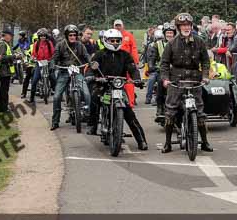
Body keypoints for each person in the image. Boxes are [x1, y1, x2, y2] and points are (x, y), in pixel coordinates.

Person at [159, 13, 212, 153]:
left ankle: (205, 142)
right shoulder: (171, 43)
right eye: (183, 25)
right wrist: (165, 79)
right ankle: (168, 143)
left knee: (200, 112)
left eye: (188, 25)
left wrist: (205, 76)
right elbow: (164, 64)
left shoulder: (199, 41)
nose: (186, 27)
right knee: (170, 111)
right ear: (178, 27)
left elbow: (206, 61)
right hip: (176, 80)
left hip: (195, 80)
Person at [86, 29, 148, 150]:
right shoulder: (100, 54)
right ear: (106, 41)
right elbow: (91, 67)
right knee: (94, 99)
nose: (114, 43)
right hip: (103, 85)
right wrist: (90, 76)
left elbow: (133, 69)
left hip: (119, 86)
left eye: (117, 40)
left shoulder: (125, 55)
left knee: (129, 113)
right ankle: (92, 125)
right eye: (112, 40)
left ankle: (141, 140)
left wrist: (137, 80)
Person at [50, 25, 90, 130]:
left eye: (74, 35)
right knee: (57, 96)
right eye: (70, 35)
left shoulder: (80, 45)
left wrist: (91, 63)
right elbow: (54, 57)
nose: (72, 37)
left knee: (86, 93)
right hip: (64, 72)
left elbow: (86, 56)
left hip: (77, 72)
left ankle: (89, 116)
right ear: (66, 35)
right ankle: (55, 121)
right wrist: (52, 64)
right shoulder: (60, 45)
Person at [152, 23, 176, 122]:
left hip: (176, 71)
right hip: (162, 71)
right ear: (164, 34)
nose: (169, 35)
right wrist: (151, 66)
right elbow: (152, 57)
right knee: (160, 85)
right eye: (168, 33)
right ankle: (160, 108)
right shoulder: (158, 44)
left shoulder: (180, 42)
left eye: (171, 33)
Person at [113, 19, 139, 107]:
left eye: (119, 25)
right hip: (114, 63)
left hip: (126, 63)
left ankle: (130, 102)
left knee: (129, 82)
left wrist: (135, 62)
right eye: (116, 25)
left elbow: (134, 48)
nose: (118, 27)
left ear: (123, 26)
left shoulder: (128, 35)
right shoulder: (111, 35)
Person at [0, 29, 16, 113]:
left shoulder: (2, 43)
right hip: (4, 70)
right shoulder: (2, 44)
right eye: (10, 35)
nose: (11, 37)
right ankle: (3, 108)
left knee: (4, 89)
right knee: (4, 90)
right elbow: (1, 57)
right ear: (6, 35)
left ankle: (3, 107)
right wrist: (13, 56)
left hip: (5, 69)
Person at [29, 29, 56, 103]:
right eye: (41, 36)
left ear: (46, 36)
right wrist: (33, 58)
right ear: (39, 36)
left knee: (53, 77)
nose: (43, 37)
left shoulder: (49, 43)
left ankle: (57, 95)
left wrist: (53, 58)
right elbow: (34, 53)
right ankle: (31, 97)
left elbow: (53, 52)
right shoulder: (36, 44)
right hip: (39, 62)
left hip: (48, 62)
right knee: (34, 80)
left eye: (44, 36)